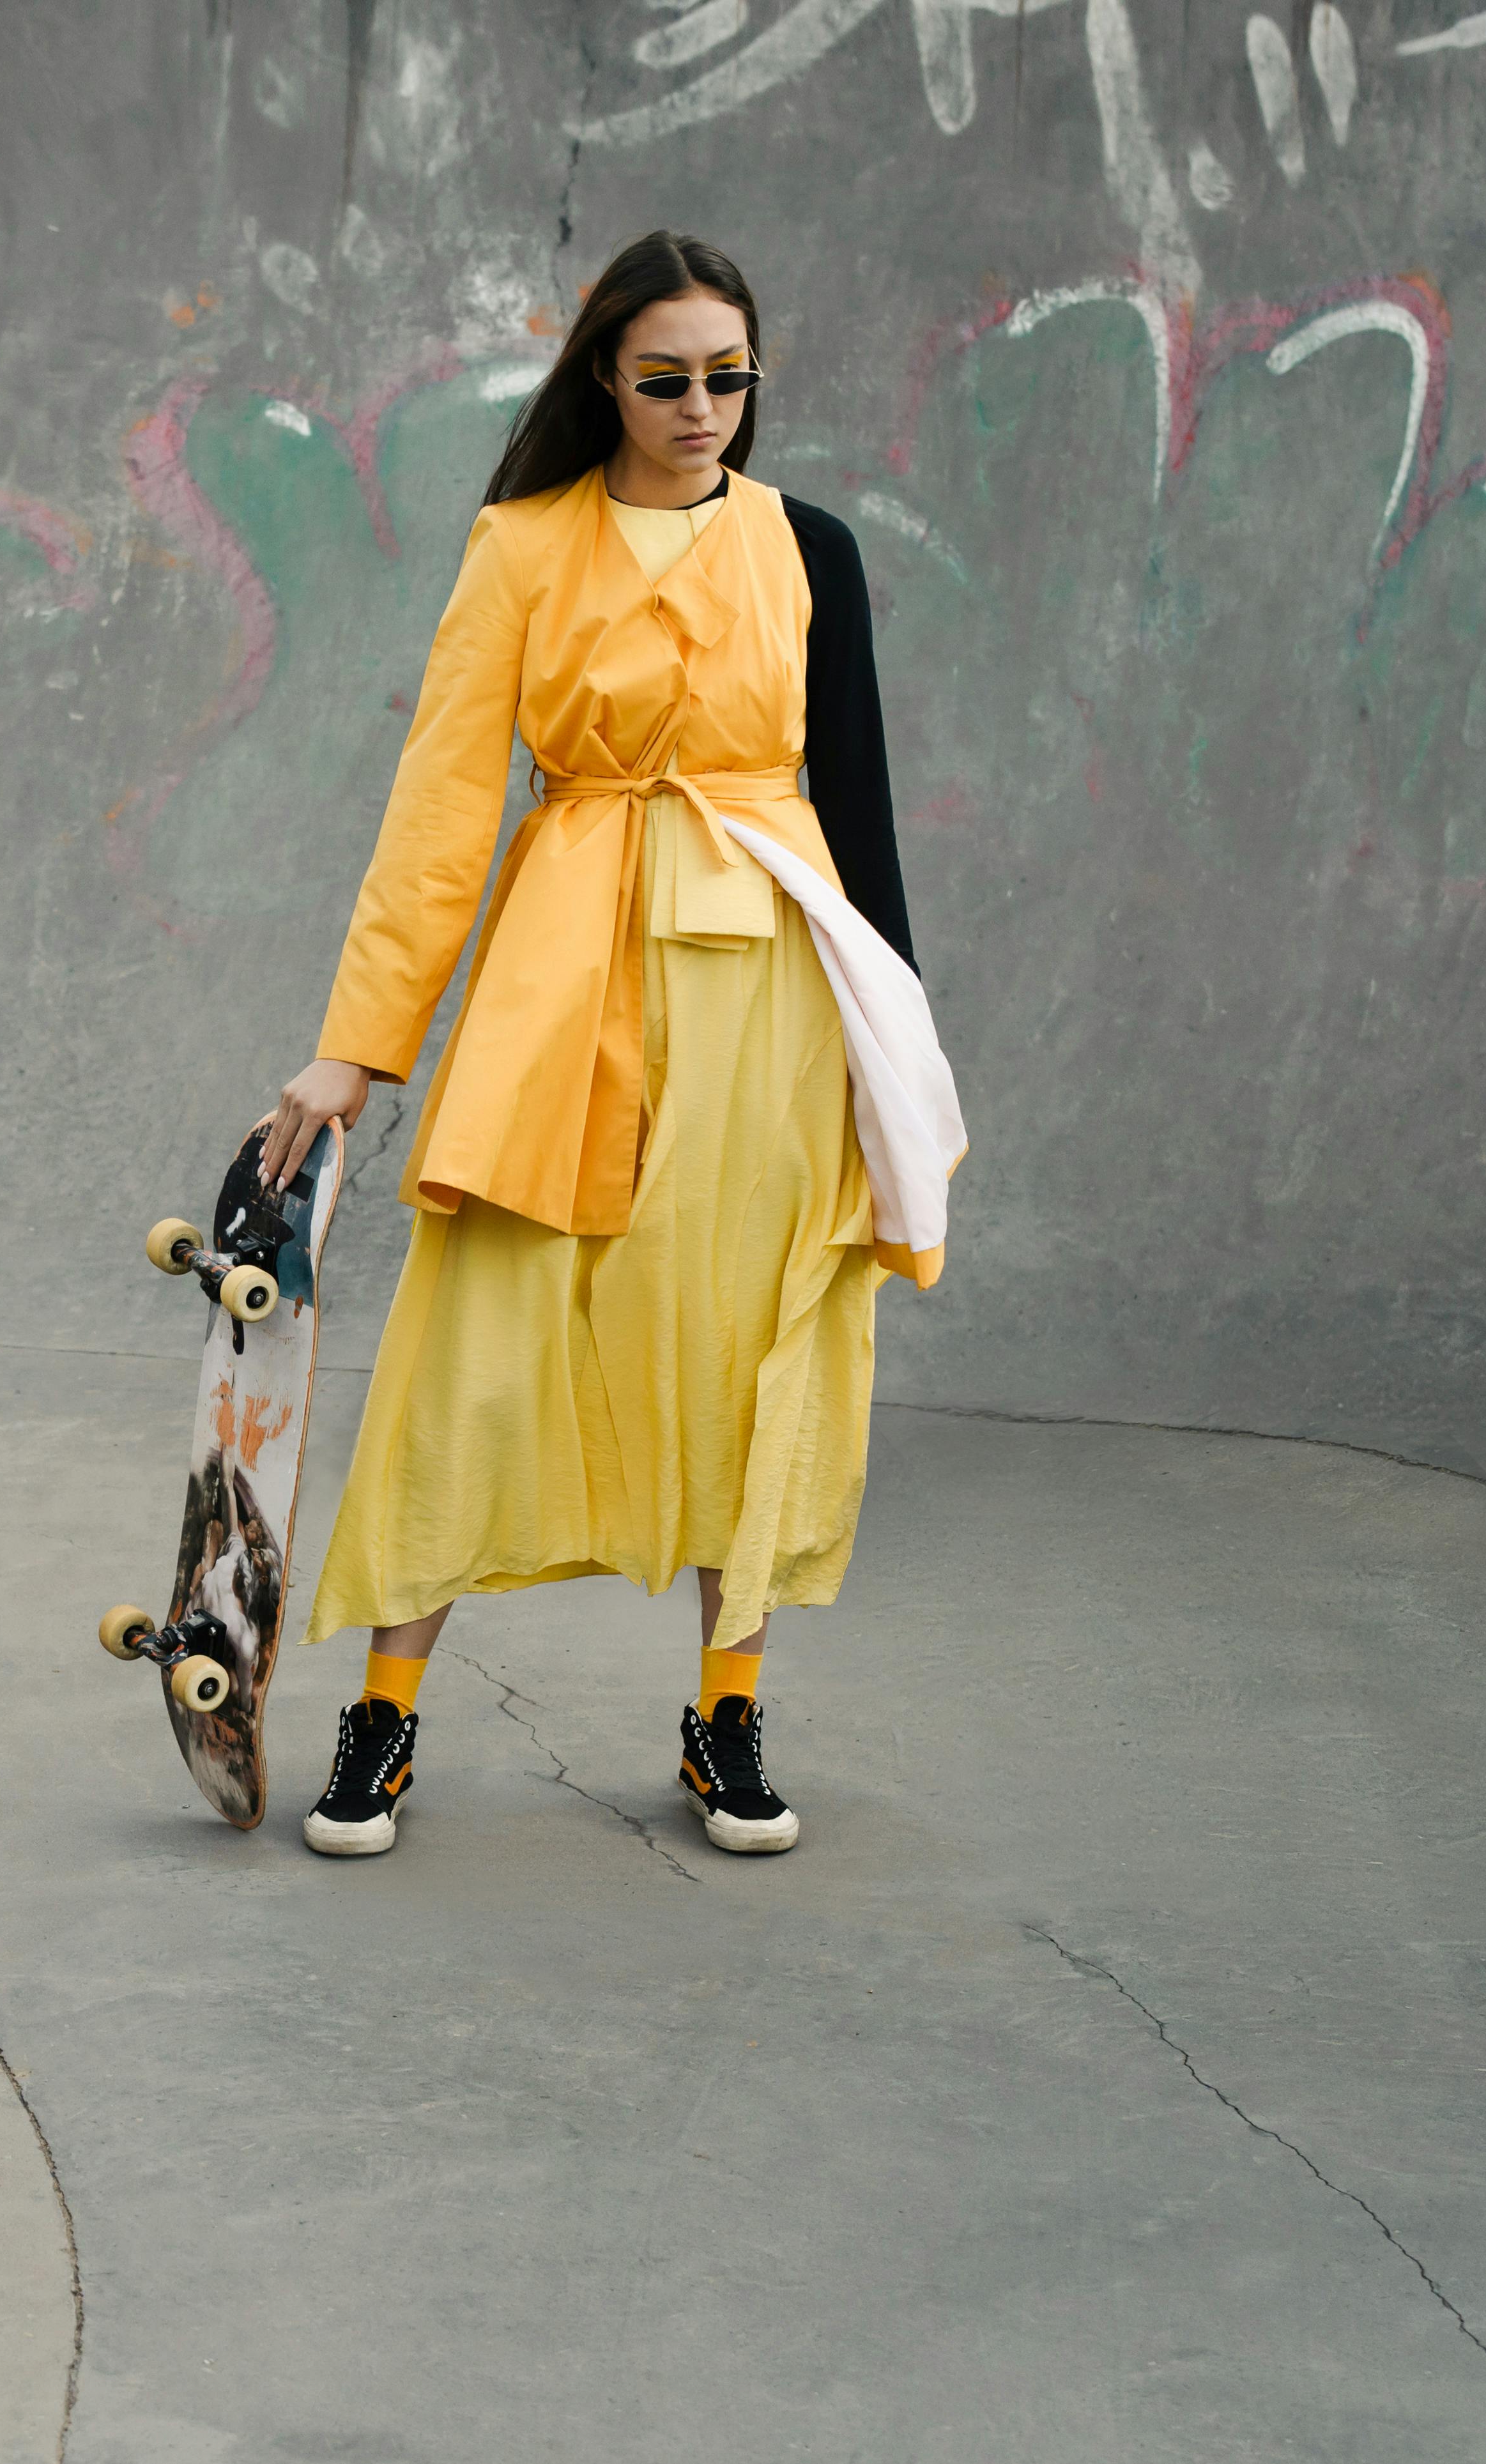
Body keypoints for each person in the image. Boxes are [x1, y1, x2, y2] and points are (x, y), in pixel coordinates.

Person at [257, 229, 938, 1862]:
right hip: (562, 982)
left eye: (728, 378)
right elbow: (437, 812)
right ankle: (383, 1722)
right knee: (473, 1341)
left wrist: (893, 1050)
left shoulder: (812, 553)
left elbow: (856, 804)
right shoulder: (520, 548)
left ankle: (724, 1719)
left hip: (770, 998)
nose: (701, 408)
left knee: (748, 1338)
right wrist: (359, 1044)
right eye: (664, 380)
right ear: (601, 384)